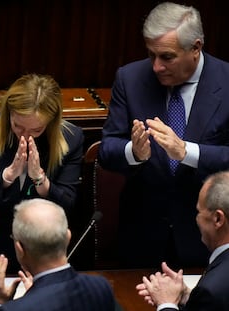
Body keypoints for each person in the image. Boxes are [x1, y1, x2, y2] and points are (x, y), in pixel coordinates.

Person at [98, 2, 229, 269]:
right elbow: (107, 150)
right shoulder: (130, 78)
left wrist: (186, 152)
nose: (157, 67)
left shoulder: (226, 82)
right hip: (141, 238)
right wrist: (134, 153)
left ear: (196, 48)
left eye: (167, 57)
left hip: (206, 239)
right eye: (151, 55)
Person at [0, 74, 84, 274]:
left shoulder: (71, 138)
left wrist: (41, 180)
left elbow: (68, 206)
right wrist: (7, 176)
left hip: (44, 252)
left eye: (36, 130)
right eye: (18, 126)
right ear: (9, 112)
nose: (25, 136)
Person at [0, 198, 115, 310]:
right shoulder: (101, 286)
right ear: (68, 237)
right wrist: (35, 292)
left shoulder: (14, 309)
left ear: (20, 249)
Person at [136, 171, 229, 310]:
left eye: (199, 212)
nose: (196, 219)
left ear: (218, 219)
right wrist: (189, 297)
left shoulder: (211, 290)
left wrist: (166, 303)